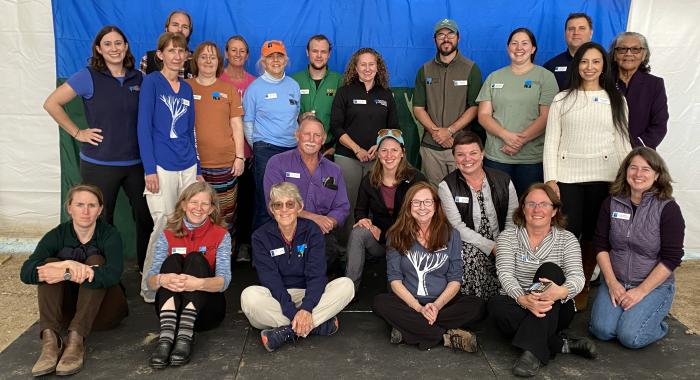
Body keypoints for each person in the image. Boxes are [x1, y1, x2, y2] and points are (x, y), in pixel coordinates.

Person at [43, 25, 153, 271]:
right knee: (101, 220)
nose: (114, 48)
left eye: (118, 43)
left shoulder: (140, 78)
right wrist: (77, 132)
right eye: (108, 44)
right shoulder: (87, 76)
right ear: (98, 49)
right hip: (100, 165)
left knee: (146, 218)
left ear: (126, 47)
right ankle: (102, 270)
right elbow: (52, 103)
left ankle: (147, 270)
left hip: (137, 164)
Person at [544, 41, 632, 310]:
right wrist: (551, 179)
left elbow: (622, 141)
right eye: (584, 61)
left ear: (604, 65)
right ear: (576, 65)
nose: (589, 67)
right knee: (567, 233)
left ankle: (581, 286)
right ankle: (558, 284)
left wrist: (628, 177)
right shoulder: (562, 99)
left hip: (605, 177)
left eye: (595, 61)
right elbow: (551, 141)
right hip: (568, 176)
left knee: (595, 235)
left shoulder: (616, 99)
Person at [488, 184, 596, 378]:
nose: (537, 209)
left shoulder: (567, 239)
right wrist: (523, 299)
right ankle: (557, 344)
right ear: (523, 208)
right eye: (531, 204)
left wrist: (560, 292)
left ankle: (530, 354)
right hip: (519, 304)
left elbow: (578, 277)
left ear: (554, 210)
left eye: (544, 204)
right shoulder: (507, 237)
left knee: (550, 270)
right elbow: (504, 273)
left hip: (557, 307)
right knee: (496, 305)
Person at [20, 184, 128, 377]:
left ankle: (76, 341)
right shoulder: (57, 235)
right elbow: (26, 272)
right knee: (50, 264)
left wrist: (71, 273)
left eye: (92, 205)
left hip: (104, 311)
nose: (85, 211)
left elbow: (113, 274)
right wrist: (65, 265)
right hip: (67, 315)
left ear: (100, 209)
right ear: (69, 208)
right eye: (79, 205)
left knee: (96, 262)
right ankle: (50, 340)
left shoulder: (110, 234)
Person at [240, 182, 354, 352]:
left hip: (307, 295)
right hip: (275, 299)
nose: (284, 210)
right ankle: (315, 326)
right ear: (271, 209)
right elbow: (270, 279)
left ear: (299, 207)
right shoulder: (260, 236)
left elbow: (317, 274)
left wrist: (307, 308)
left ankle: (287, 331)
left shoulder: (312, 230)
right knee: (249, 297)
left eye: (290, 204)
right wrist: (295, 313)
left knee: (346, 285)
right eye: (278, 205)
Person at [589, 147, 685, 349]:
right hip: (617, 281)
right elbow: (600, 245)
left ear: (657, 175)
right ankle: (631, 315)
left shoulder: (668, 208)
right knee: (602, 331)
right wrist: (612, 283)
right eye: (633, 168)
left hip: (652, 286)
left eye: (646, 169)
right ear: (625, 172)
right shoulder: (611, 202)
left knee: (630, 337)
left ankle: (657, 323)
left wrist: (641, 291)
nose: (638, 174)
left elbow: (672, 258)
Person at [372, 182, 486, 351]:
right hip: (408, 303)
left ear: (436, 205)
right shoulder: (396, 235)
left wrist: (437, 306)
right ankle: (447, 337)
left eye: (427, 202)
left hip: (443, 304)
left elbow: (455, 278)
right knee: (380, 303)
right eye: (416, 202)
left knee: (478, 306)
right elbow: (394, 280)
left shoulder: (451, 234)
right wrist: (418, 307)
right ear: (408, 206)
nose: (422, 207)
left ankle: (408, 329)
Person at [138, 32, 201, 303]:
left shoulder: (187, 88)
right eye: (171, 51)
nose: (177, 56)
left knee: (188, 223)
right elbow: (143, 128)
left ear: (187, 56)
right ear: (160, 54)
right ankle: (149, 285)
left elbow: (189, 132)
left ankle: (180, 277)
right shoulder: (152, 82)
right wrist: (149, 168)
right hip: (161, 166)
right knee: (163, 224)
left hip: (186, 164)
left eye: (181, 51)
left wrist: (196, 167)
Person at [145, 182, 231, 368]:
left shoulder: (221, 235)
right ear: (183, 205)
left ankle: (185, 336)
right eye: (193, 202)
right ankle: (166, 339)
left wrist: (197, 283)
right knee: (173, 260)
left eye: (205, 204)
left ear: (211, 209)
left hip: (205, 312)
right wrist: (163, 279)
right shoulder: (167, 233)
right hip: (171, 314)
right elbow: (150, 282)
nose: (198, 208)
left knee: (196, 259)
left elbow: (223, 282)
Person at [477, 28, 559, 197]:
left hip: (531, 160)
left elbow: (547, 116)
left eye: (524, 43)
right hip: (497, 157)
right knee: (497, 206)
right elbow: (483, 115)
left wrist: (519, 141)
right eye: (514, 43)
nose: (519, 47)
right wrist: (506, 135)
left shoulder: (546, 77)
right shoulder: (494, 77)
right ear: (508, 48)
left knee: (528, 206)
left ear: (533, 49)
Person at [331, 47, 399, 242]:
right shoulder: (344, 92)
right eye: (363, 64)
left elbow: (394, 129)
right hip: (348, 157)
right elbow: (336, 127)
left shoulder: (386, 94)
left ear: (378, 68)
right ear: (356, 67)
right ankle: (344, 251)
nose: (367, 68)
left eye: (371, 64)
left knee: (375, 204)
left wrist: (380, 146)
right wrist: (357, 149)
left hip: (378, 160)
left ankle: (369, 248)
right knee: (347, 203)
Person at [438, 131, 518, 299]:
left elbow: (513, 219)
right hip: (470, 243)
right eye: (461, 154)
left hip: (503, 241)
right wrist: (490, 247)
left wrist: (503, 245)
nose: (467, 159)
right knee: (468, 255)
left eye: (473, 153)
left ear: (482, 154)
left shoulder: (503, 180)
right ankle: (478, 303)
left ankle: (506, 297)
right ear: (454, 157)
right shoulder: (446, 186)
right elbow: (457, 227)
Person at [263, 115, 349, 269]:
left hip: (319, 233)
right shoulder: (277, 163)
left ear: (323, 140)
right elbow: (274, 202)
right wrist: (313, 218)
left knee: (326, 255)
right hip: (285, 229)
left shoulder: (334, 170)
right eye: (306, 134)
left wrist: (328, 222)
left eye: (317, 135)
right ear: (297, 135)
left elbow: (342, 207)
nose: (311, 139)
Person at [346, 129, 426, 292]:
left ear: (402, 152)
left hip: (407, 241)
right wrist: (363, 220)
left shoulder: (416, 179)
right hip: (379, 241)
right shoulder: (369, 179)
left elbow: (423, 218)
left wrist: (385, 234)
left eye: (394, 150)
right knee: (358, 233)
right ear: (378, 153)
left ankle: (396, 292)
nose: (389, 155)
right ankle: (349, 291)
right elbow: (360, 210)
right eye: (384, 150)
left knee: (394, 239)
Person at [413, 18, 483, 185]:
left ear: (458, 38)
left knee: (462, 192)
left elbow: (474, 107)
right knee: (435, 195)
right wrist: (437, 133)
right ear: (435, 40)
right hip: (431, 147)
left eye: (450, 34)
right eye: (441, 35)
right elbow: (418, 108)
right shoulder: (424, 70)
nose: (446, 38)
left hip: (460, 146)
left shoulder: (471, 68)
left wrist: (450, 131)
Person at [186, 42, 244, 238]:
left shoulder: (228, 89)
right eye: (203, 56)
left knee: (225, 215)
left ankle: (224, 257)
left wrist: (240, 157)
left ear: (219, 61)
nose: (208, 61)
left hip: (225, 165)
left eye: (213, 57)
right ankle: (197, 257)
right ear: (196, 61)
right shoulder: (185, 87)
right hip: (192, 165)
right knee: (194, 212)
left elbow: (237, 125)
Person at [242, 40, 300, 231]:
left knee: (290, 198)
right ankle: (261, 251)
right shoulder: (254, 89)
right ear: (263, 62)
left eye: (279, 56)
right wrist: (258, 147)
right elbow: (248, 123)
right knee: (267, 199)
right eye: (270, 56)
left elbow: (296, 118)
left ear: (286, 59)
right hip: (266, 149)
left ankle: (287, 244)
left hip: (292, 149)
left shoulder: (293, 85)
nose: (275, 60)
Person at [220, 35, 256, 262]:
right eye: (233, 50)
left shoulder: (254, 83)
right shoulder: (217, 81)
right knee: (221, 205)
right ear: (226, 53)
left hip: (248, 153)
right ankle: (223, 247)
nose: (237, 54)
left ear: (247, 55)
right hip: (222, 154)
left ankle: (243, 244)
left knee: (245, 202)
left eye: (242, 51)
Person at [609, 32, 669, 149]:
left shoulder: (655, 84)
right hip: (605, 153)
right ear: (615, 55)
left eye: (635, 49)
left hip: (639, 154)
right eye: (622, 49)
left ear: (643, 55)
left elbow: (659, 125)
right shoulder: (602, 82)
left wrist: (635, 148)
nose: (628, 53)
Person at [292, 34, 344, 157]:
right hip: (299, 147)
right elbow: (285, 115)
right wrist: (300, 117)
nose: (319, 56)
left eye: (323, 52)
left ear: (329, 54)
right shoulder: (294, 81)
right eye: (315, 51)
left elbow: (348, 117)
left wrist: (336, 148)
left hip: (329, 149)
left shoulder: (339, 81)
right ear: (307, 52)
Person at [543, 13, 594, 90]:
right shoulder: (550, 67)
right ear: (565, 33)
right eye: (571, 29)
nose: (576, 33)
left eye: (582, 28)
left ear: (591, 33)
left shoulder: (605, 64)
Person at [140, 10, 194, 78]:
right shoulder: (148, 59)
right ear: (166, 28)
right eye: (175, 25)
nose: (180, 29)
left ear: (190, 32)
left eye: (185, 27)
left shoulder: (197, 60)